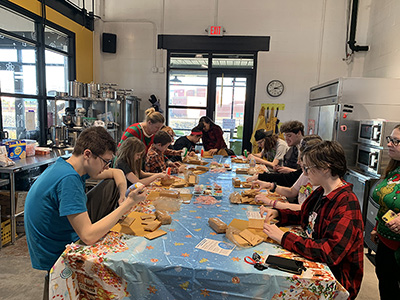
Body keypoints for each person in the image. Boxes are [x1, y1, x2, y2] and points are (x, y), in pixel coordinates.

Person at [24, 127, 146, 295]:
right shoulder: (69, 180)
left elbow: (117, 172)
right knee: (121, 260)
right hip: (55, 249)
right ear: (88, 154)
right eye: (105, 161)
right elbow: (88, 237)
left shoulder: (67, 164)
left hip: (56, 232)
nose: (106, 167)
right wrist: (128, 204)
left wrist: (122, 197)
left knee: (110, 183)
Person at [261, 141, 364, 299]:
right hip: (317, 260)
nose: (305, 173)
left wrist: (283, 237)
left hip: (336, 279)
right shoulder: (322, 191)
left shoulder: (346, 203)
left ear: (325, 167)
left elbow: (329, 251)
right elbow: (306, 216)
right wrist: (279, 214)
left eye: (307, 168)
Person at [252, 135, 322, 210]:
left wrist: (271, 202)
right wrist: (270, 186)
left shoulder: (318, 181)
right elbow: (292, 192)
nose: (298, 162)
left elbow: (305, 209)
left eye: (301, 158)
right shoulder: (306, 173)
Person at [370, 124, 400, 299]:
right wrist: (377, 226)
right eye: (390, 139)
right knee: (387, 289)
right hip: (385, 243)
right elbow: (384, 204)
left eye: (396, 141)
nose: (389, 144)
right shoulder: (394, 169)